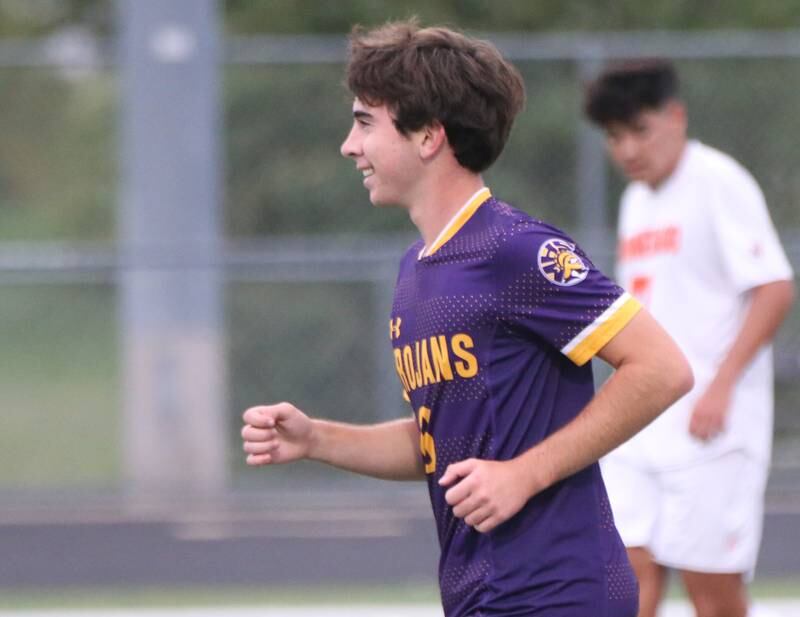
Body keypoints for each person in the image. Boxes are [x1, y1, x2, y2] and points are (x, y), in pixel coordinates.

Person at [242, 22, 693, 617]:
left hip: (557, 594)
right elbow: (444, 440)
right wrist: (317, 439)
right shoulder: (418, 269)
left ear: (428, 136)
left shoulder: (515, 249)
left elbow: (662, 369)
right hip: (480, 597)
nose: (349, 146)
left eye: (364, 122)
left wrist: (525, 475)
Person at [584, 59, 796, 617]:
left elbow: (774, 286)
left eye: (639, 130)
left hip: (712, 430)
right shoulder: (635, 203)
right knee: (626, 578)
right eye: (614, 137)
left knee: (713, 592)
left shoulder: (717, 181)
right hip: (645, 420)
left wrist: (721, 386)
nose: (627, 149)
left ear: (676, 117)